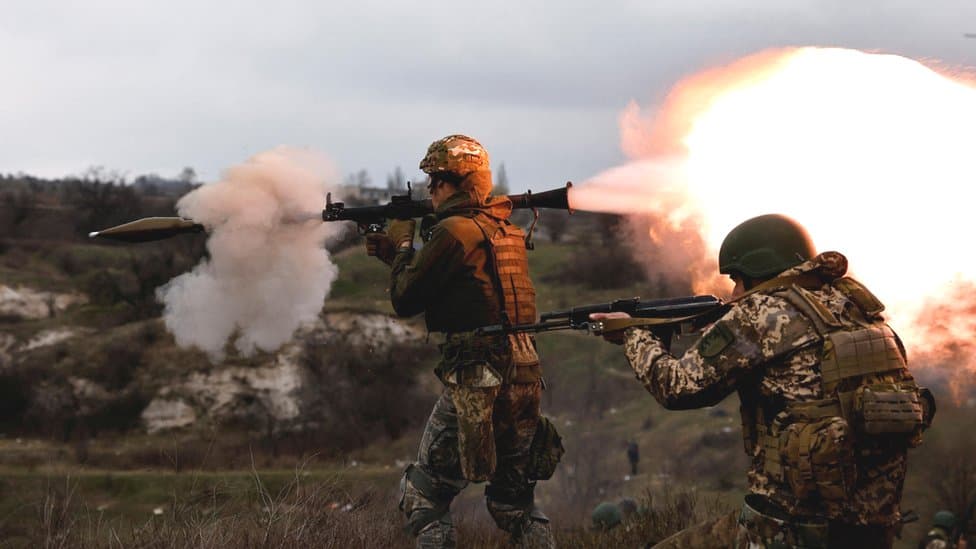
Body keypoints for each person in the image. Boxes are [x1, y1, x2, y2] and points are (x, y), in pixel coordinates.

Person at [592, 214, 934, 548]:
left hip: (788, 527)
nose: (735, 292)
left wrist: (633, 334)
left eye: (738, 280)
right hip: (871, 529)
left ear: (760, 272)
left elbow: (676, 387)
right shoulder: (860, 311)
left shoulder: (760, 313)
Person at [366, 134, 561, 549]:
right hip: (524, 375)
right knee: (514, 504)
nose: (431, 191)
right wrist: (396, 257)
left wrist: (402, 244)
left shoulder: (453, 232)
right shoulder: (502, 228)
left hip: (477, 377)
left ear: (457, 182)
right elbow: (460, 289)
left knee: (424, 495)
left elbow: (405, 299)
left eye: (436, 181)